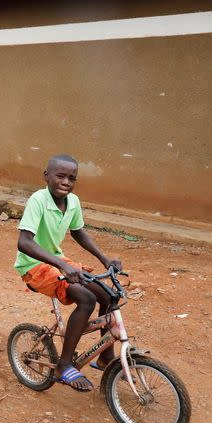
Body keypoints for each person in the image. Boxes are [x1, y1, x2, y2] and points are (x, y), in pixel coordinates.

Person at [14, 154, 122, 392]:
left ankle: (105, 358)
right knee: (86, 299)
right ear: (46, 176)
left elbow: (79, 232)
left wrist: (105, 260)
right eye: (60, 176)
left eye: (71, 178)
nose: (66, 182)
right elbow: (24, 242)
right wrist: (62, 266)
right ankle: (63, 366)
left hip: (56, 259)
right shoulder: (38, 200)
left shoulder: (72, 201)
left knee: (108, 294)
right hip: (33, 265)